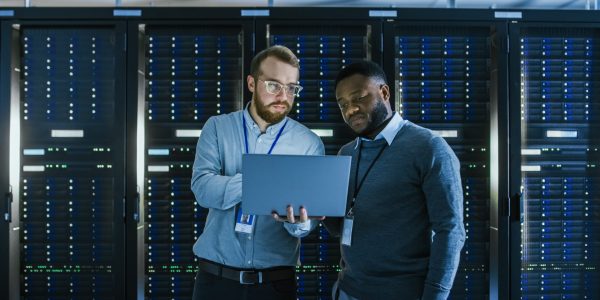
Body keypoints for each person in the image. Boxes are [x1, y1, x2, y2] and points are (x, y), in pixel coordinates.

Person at [190, 45, 325, 300]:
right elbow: (203, 188)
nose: (284, 95)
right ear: (252, 83)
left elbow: (308, 223)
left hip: (274, 284)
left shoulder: (309, 143)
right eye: (274, 85)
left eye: (292, 87)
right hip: (216, 281)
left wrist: (299, 222)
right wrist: (260, 180)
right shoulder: (218, 128)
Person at [326, 60, 465, 300]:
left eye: (358, 98)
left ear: (384, 92)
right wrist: (315, 211)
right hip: (348, 290)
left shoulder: (429, 147)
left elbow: (450, 230)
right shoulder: (347, 153)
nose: (351, 110)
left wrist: (435, 296)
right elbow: (342, 227)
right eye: (343, 104)